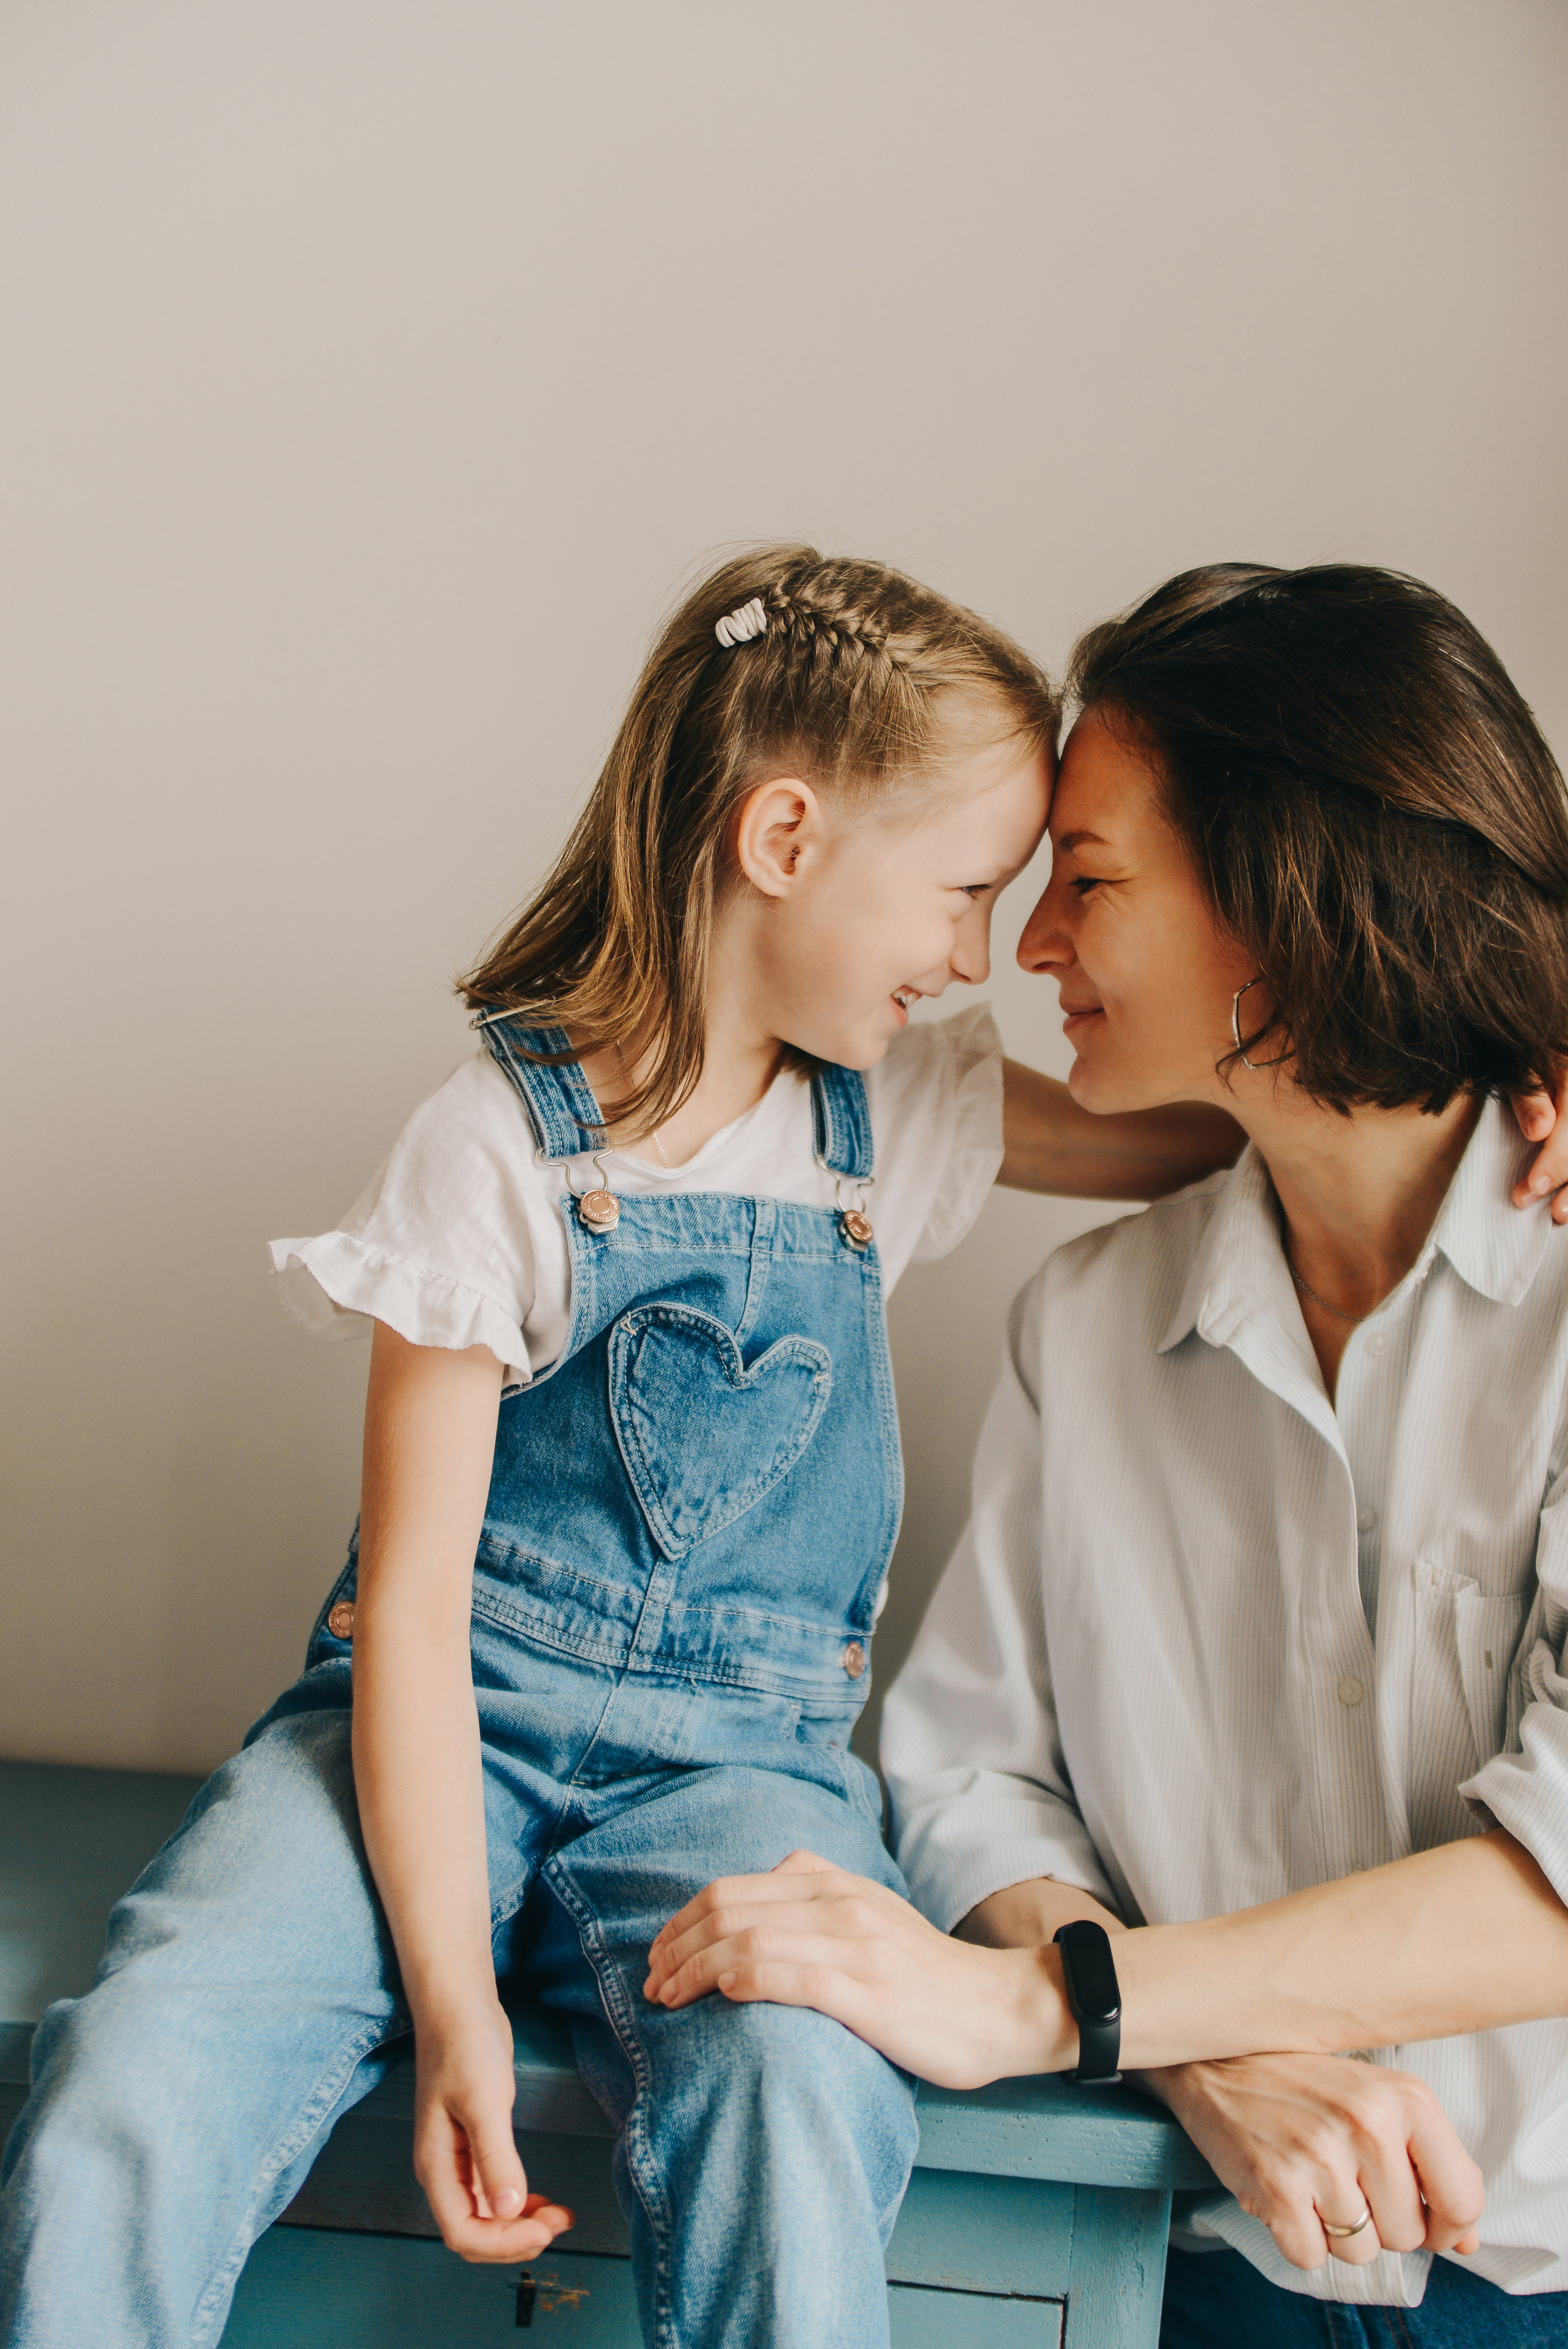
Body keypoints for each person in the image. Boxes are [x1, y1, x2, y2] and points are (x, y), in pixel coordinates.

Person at [0, 544, 1251, 2349]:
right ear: (786, 839)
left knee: (796, 2085)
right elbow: (413, 1625)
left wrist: (1496, 1051)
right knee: (144, 2051)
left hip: (739, 1771)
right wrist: (454, 2011)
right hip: (440, 1730)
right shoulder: (490, 1149)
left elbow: (1203, 1128)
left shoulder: (887, 1117)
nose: (976, 955)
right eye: (964, 891)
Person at [642, 564, 1568, 2345]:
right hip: (1193, 2256)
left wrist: (1057, 2006)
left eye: (1088, 877)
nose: (1028, 943)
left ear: (1290, 891)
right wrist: (1195, 2056)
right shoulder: (1087, 1326)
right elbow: (968, 1777)